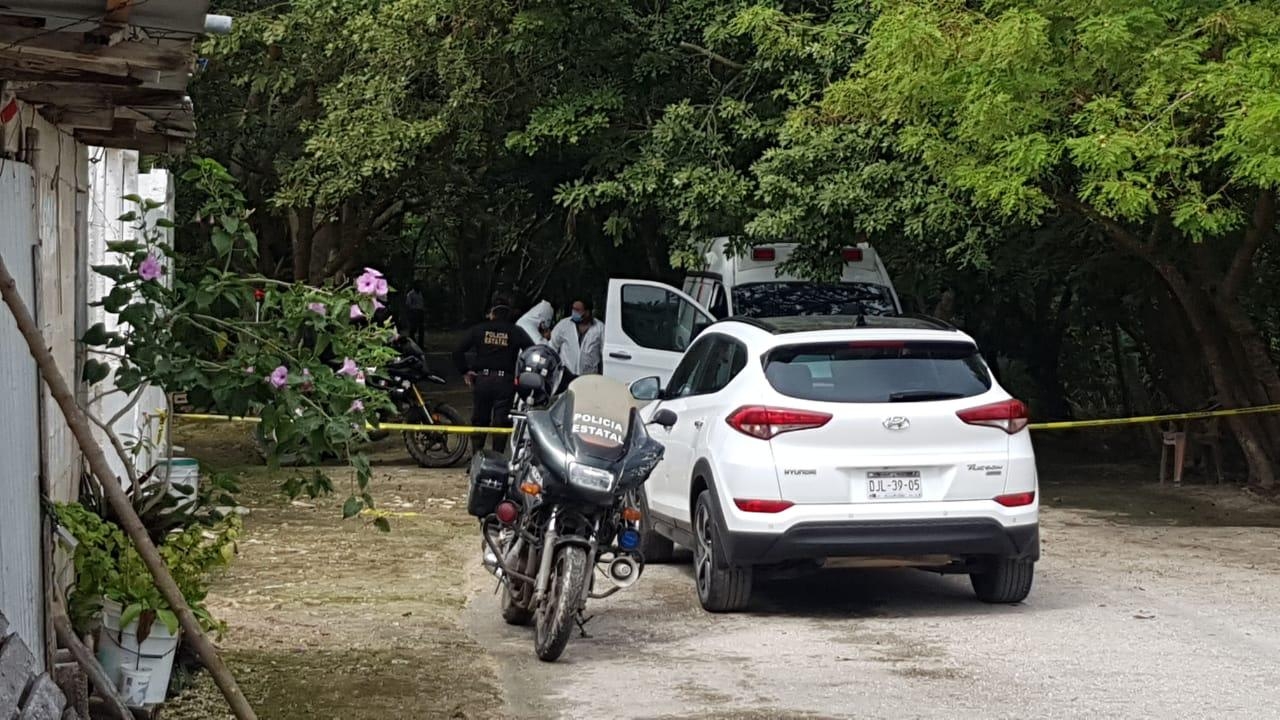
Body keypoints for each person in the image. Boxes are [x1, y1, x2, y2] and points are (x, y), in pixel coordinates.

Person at [453, 296, 532, 453]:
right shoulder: (516, 331)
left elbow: (457, 351)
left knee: (480, 420)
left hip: (483, 380)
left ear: (492, 313)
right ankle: (498, 460)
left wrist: (465, 371)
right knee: (501, 423)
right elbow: (532, 351)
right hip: (505, 382)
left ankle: (477, 457)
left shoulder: (479, 330)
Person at [549, 298, 604, 376]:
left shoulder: (600, 328)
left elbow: (604, 352)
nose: (574, 312)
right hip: (566, 374)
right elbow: (552, 346)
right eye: (573, 309)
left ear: (587, 312)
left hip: (589, 376)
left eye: (577, 310)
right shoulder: (563, 325)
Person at [404, 283, 426, 347]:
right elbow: (408, 304)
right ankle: (412, 344)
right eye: (418, 286)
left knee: (421, 329)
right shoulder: (410, 294)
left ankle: (421, 344)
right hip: (414, 312)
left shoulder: (420, 293)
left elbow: (421, 303)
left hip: (420, 311)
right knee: (413, 329)